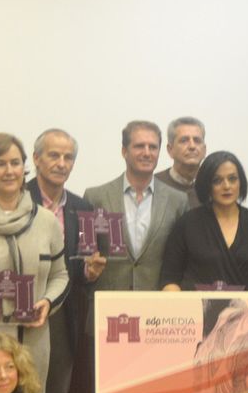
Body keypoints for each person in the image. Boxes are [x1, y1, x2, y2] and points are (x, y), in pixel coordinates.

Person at [29, 128, 102, 393]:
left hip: (65, 319)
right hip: (18, 321)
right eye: (53, 156)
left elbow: (85, 269)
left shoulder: (82, 207)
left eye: (68, 158)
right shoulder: (17, 198)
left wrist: (91, 272)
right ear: (36, 158)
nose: (61, 164)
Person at [0, 133, 69, 387]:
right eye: (0, 163)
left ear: (25, 167)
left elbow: (60, 274)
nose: (9, 171)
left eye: (15, 163)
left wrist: (47, 302)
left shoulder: (46, 221)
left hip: (33, 340)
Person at [81, 120, 190, 292]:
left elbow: (182, 259)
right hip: (108, 305)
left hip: (157, 307)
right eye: (139, 146)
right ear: (124, 151)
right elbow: (84, 256)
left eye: (153, 147)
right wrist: (89, 271)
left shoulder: (178, 201)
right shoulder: (95, 197)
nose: (147, 153)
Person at [160, 150, 248, 295]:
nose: (226, 186)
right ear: (206, 185)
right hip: (196, 313)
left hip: (246, 314)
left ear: (241, 182)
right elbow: (169, 278)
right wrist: (183, 307)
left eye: (232, 179)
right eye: (217, 180)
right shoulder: (187, 223)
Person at [156, 116, 206, 205]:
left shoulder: (213, 186)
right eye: (184, 140)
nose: (192, 146)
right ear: (170, 150)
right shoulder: (154, 185)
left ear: (204, 150)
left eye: (197, 140)